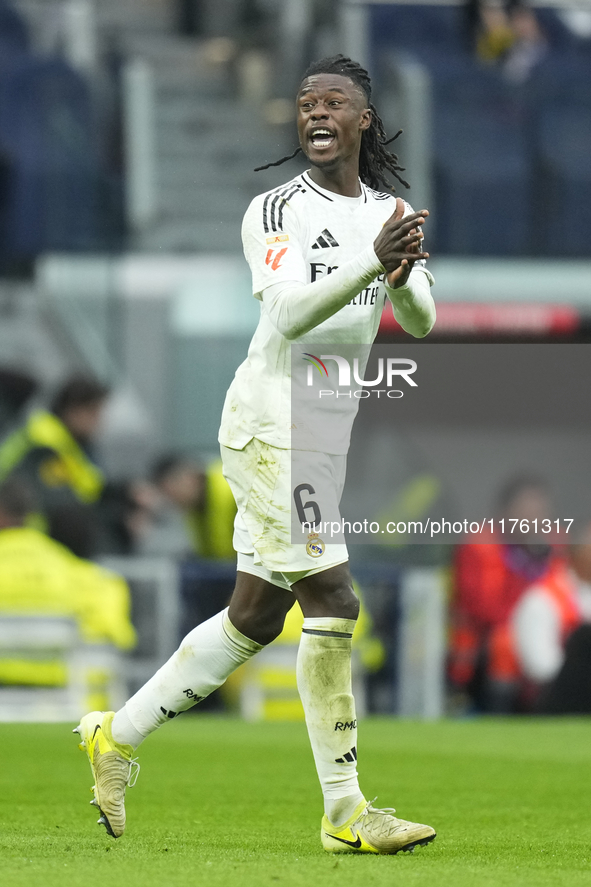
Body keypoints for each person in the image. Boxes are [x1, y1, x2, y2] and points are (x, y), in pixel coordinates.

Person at [73, 54, 437, 854]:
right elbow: (293, 315)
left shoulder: (388, 210)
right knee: (335, 599)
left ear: (362, 119)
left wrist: (402, 271)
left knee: (255, 615)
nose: (315, 110)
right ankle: (345, 810)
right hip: (272, 420)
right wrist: (373, 260)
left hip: (323, 430)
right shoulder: (273, 210)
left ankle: (114, 734)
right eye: (305, 101)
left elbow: (418, 321)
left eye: (333, 101)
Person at [0, 374, 109, 557]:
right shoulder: (45, 445)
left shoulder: (63, 444)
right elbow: (56, 504)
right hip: (30, 546)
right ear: (74, 409)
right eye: (94, 413)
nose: (99, 422)